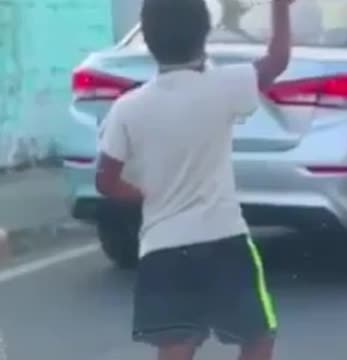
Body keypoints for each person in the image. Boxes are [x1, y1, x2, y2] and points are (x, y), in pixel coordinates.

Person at [95, 0, 293, 359]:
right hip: (225, 237)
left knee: (176, 345)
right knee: (258, 335)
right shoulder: (225, 84)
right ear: (204, 34)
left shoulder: (128, 107)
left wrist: (145, 194)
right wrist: (280, 7)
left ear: (149, 40)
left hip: (162, 246)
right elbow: (277, 61)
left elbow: (106, 181)